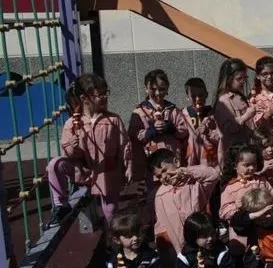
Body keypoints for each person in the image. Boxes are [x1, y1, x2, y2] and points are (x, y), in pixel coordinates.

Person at [47, 74, 131, 228]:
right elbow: (68, 154)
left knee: (110, 210)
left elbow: (124, 145)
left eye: (107, 93)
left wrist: (128, 167)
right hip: (83, 171)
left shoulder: (113, 120)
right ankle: (61, 205)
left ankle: (114, 241)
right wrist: (73, 146)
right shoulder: (72, 123)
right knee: (54, 164)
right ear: (84, 98)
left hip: (106, 171)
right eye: (100, 94)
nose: (105, 97)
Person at [148, 148, 219, 254]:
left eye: (165, 170)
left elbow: (213, 175)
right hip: (181, 250)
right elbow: (161, 225)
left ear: (176, 162)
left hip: (205, 243)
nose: (164, 177)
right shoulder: (160, 195)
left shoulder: (195, 183)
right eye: (159, 176)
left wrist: (186, 171)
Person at [128, 69, 189, 179]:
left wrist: (170, 128)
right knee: (155, 191)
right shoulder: (139, 112)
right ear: (146, 88)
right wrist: (152, 130)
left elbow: (184, 130)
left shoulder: (173, 110)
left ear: (167, 89)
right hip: (151, 162)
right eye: (153, 89)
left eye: (161, 89)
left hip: (173, 159)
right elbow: (135, 136)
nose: (157, 93)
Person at [213, 59, 256, 159]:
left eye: (245, 78)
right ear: (228, 79)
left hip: (247, 148)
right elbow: (228, 129)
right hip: (233, 153)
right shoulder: (223, 101)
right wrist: (245, 116)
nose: (243, 82)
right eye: (239, 78)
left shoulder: (241, 97)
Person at [182, 78, 220, 168]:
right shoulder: (183, 115)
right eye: (193, 96)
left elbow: (221, 137)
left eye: (201, 95)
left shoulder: (213, 114)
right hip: (190, 163)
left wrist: (209, 133)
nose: (198, 99)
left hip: (210, 162)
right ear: (187, 97)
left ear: (206, 94)